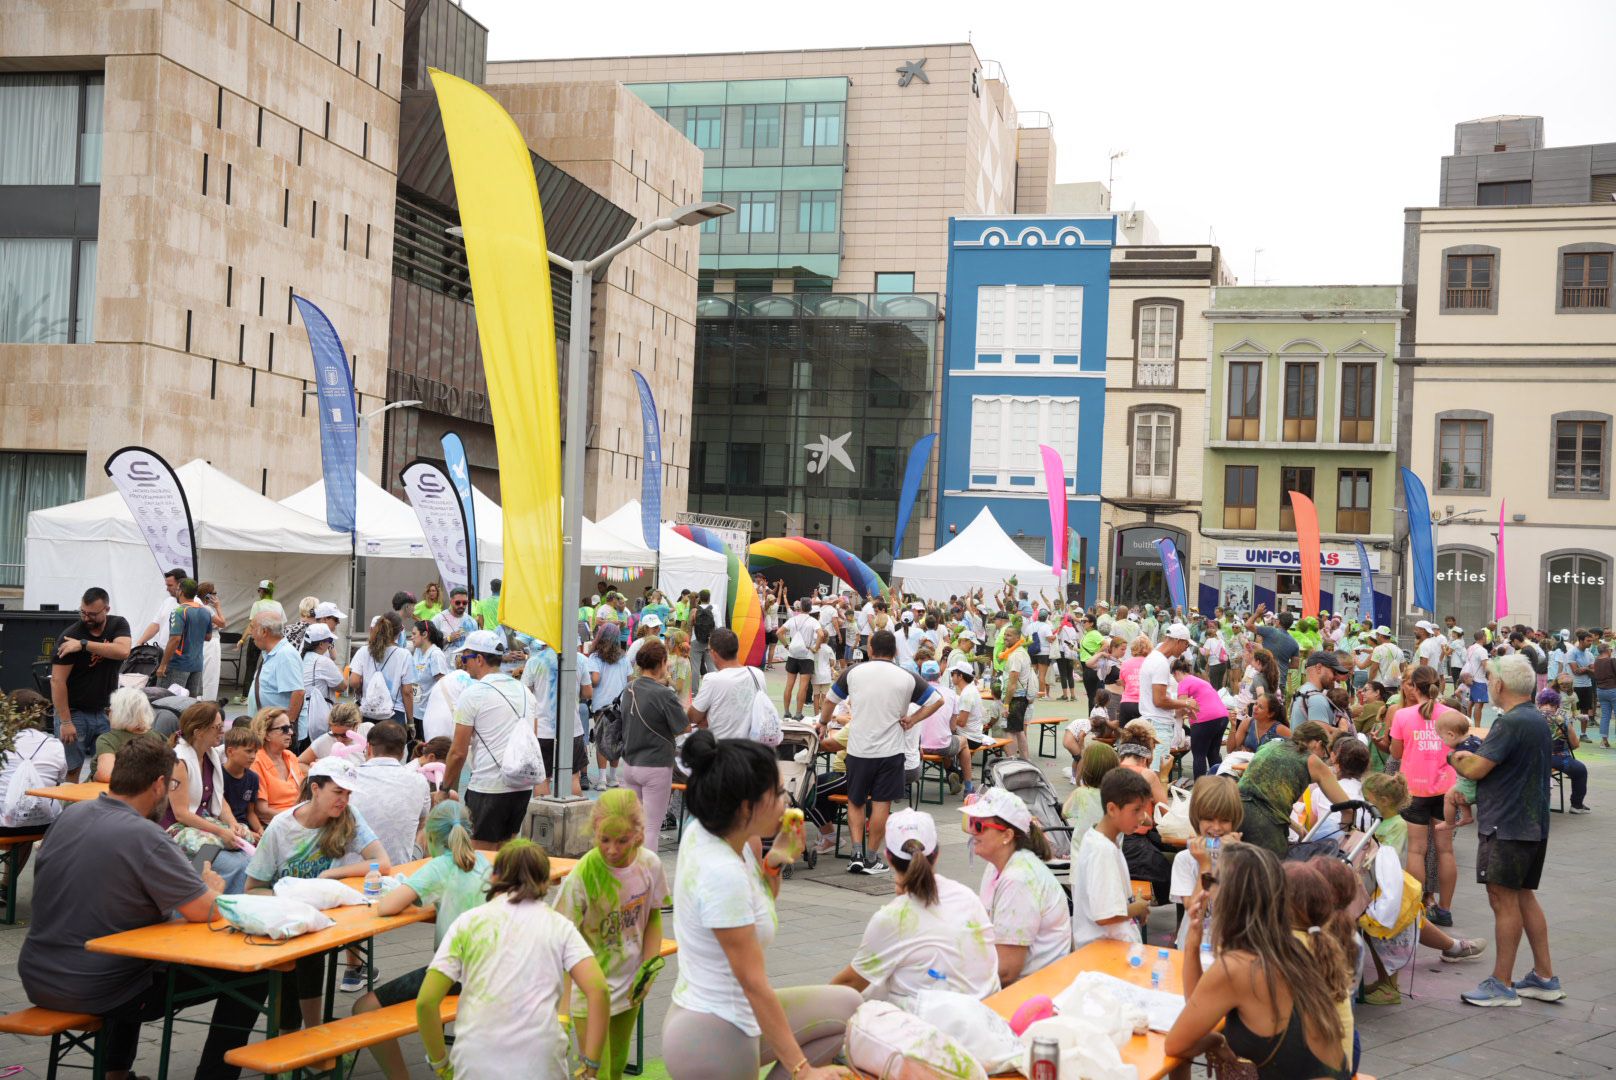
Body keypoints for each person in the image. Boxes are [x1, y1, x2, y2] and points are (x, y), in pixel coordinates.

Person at [18, 737, 267, 1080]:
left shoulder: (70, 816)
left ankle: (116, 1073)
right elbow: (206, 912)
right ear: (160, 784)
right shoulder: (146, 836)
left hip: (38, 975)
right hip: (99, 987)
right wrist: (210, 889)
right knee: (252, 974)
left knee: (134, 952)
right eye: (173, 785)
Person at [662, 730, 860, 1080]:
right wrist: (802, 1070)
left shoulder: (727, 834)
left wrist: (775, 862)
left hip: (728, 1015)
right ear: (745, 808)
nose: (788, 801)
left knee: (850, 1007)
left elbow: (759, 909)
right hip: (715, 1034)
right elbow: (753, 984)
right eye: (779, 793)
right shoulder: (721, 873)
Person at [1164, 842, 1352, 1079]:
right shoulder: (1287, 947)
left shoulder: (1239, 967)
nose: (1206, 891)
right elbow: (1199, 1011)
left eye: (1210, 881)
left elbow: (1175, 1044)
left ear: (1231, 897)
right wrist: (1192, 944)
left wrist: (1215, 1041)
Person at [1451, 654, 1564, 1007]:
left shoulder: (1511, 722)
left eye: (1489, 679)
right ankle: (1544, 976)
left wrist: (1454, 755)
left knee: (1503, 900)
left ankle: (1501, 983)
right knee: (1523, 895)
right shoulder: (1536, 718)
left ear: (1500, 685)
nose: (1489, 685)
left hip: (1508, 823)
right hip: (1530, 822)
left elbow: (1475, 768)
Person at [246, 758, 391, 1029]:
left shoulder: (348, 816)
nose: (344, 800)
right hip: (283, 920)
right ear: (315, 788)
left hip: (323, 917)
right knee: (299, 952)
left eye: (348, 793)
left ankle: (309, 1034)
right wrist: (288, 903)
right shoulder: (281, 827)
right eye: (338, 792)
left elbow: (382, 863)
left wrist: (329, 876)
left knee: (313, 946)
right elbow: (253, 887)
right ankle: (294, 1036)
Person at [352, 800, 491, 1079]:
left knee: (363, 1007)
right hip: (490, 968)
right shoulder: (483, 861)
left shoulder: (439, 866)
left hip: (459, 974)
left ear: (429, 838)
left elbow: (386, 907)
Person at [830, 807, 1000, 1008]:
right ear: (936, 854)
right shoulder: (966, 896)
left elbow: (849, 983)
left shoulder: (892, 918)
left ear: (888, 857)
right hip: (985, 1016)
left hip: (931, 1030)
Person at [553, 790, 670, 1080]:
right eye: (604, 840)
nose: (613, 850)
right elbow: (559, 940)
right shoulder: (583, 876)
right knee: (598, 1073)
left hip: (630, 986)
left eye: (622, 841)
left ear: (638, 834)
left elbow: (653, 914)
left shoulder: (650, 865)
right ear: (594, 830)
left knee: (616, 1067)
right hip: (589, 991)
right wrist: (563, 1009)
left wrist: (649, 967)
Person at [820, 629, 942, 875]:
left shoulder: (853, 672)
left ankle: (855, 853)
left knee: (855, 801)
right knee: (880, 804)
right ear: (896, 651)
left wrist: (823, 723)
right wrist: (912, 719)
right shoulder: (906, 676)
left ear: (871, 649)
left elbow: (830, 700)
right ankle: (872, 856)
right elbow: (937, 700)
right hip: (890, 751)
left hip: (858, 749)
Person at [962, 786, 1071, 984]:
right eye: (971, 822)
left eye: (979, 826)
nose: (971, 830)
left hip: (1032, 989)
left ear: (1007, 836)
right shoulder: (997, 866)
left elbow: (1006, 971)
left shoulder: (1019, 879)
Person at [442, 630, 541, 849]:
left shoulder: (473, 694)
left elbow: (458, 752)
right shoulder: (525, 691)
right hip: (520, 785)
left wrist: (444, 788)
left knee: (481, 860)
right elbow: (531, 737)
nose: (463, 663)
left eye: (465, 658)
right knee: (505, 855)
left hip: (488, 786)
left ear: (479, 659)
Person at [1389, 664, 1462, 927]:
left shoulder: (1403, 715)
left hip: (1414, 790)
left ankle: (1417, 910)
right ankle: (1445, 910)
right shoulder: (1453, 714)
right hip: (1447, 791)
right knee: (1446, 851)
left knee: (1417, 851)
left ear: (1413, 687)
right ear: (1439, 684)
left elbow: (1396, 754)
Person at [164, 700, 252, 894]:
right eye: (218, 727)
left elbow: (218, 798)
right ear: (198, 732)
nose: (223, 732)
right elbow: (181, 814)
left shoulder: (210, 755)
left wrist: (231, 823)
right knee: (237, 863)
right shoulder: (179, 761)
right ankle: (220, 905)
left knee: (248, 845)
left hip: (202, 822)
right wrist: (221, 832)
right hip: (176, 828)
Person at [49, 586, 132, 779]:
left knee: (107, 770)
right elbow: (57, 681)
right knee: (72, 770)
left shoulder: (118, 625)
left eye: (92, 614)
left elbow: (123, 651)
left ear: (106, 610)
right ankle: (70, 808)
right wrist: (66, 721)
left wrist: (84, 645)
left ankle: (92, 807)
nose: (86, 618)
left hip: (104, 711)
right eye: (83, 612)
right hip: (74, 712)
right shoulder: (70, 637)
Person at [1236, 721, 1353, 857]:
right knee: (1272, 872)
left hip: (1235, 810)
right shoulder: (1312, 760)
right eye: (1325, 753)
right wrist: (1345, 832)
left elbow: (1263, 798)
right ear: (1318, 744)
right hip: (1266, 827)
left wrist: (1297, 827)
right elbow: (1348, 807)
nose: (1323, 758)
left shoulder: (1269, 746)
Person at [1071, 768, 1154, 950]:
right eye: (1136, 810)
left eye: (1144, 810)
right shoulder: (1102, 850)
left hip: (1110, 949)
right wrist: (1137, 907)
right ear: (1112, 809)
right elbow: (1105, 915)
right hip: (1104, 953)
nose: (1142, 818)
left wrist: (1132, 904)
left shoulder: (1103, 840)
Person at [620, 640, 688, 851]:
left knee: (632, 825)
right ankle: (648, 875)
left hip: (629, 764)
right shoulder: (664, 694)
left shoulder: (629, 688)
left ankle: (630, 869)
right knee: (651, 828)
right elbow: (683, 727)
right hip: (655, 765)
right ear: (661, 662)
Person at [1170, 775, 1244, 950]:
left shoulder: (1242, 857)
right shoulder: (1185, 860)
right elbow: (1195, 911)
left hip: (1229, 946)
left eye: (1225, 820)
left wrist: (1236, 859)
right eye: (1209, 819)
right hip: (1192, 946)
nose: (1217, 827)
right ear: (1197, 819)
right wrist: (1205, 866)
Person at [0, 690, 67, 873]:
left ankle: (6, 889)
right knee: (24, 821)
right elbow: (58, 781)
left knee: (14, 815)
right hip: (42, 824)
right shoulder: (54, 745)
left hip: (3, 827)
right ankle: (6, 889)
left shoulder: (3, 742)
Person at [351, 720, 431, 868]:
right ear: (402, 753)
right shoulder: (419, 782)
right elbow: (423, 825)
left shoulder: (348, 778)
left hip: (350, 872)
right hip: (399, 872)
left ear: (368, 748)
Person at [243, 604, 305, 745]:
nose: (251, 633)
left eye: (252, 628)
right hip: (270, 732)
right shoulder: (273, 653)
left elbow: (298, 692)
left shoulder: (285, 655)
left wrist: (287, 727)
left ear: (264, 631)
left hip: (278, 735)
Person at [687, 628, 757, 740]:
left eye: (708, 650)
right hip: (752, 745)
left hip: (722, 747)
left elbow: (693, 717)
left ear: (714, 653)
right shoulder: (756, 674)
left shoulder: (712, 679)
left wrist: (707, 715)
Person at [585, 623, 632, 789]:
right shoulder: (623, 657)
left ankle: (602, 780)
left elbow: (595, 680)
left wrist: (587, 679)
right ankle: (613, 777)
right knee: (616, 740)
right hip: (620, 705)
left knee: (601, 740)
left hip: (602, 706)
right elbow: (630, 680)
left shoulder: (596, 657)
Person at [349, 613, 415, 727]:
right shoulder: (404, 655)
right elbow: (407, 691)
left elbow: (354, 681)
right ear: (401, 630)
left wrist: (361, 689)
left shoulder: (364, 651)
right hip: (394, 713)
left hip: (368, 711)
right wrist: (410, 721)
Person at [1173, 656, 1230, 779]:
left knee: (1199, 755)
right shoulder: (1200, 681)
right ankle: (1221, 785)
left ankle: (1200, 787)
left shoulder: (1183, 682)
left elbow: (1181, 706)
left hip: (1205, 719)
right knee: (1213, 752)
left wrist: (1174, 714)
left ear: (1176, 673)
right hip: (1222, 716)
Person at [154, 578, 212, 696]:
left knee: (167, 700)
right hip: (197, 664)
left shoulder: (179, 611)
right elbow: (208, 636)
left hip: (178, 664)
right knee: (189, 703)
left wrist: (163, 664)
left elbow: (175, 639)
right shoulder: (206, 612)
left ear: (180, 591)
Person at [92, 686, 161, 782]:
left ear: (119, 713)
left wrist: (94, 776)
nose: (108, 714)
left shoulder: (108, 739)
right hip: (148, 792)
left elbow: (106, 775)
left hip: (111, 793)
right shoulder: (159, 737)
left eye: (110, 710)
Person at [1537, 687, 1589, 813]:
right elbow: (1575, 744)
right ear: (1557, 705)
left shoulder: (1532, 717)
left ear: (1539, 704)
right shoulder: (1563, 719)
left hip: (1534, 758)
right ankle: (1576, 805)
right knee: (1580, 771)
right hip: (1557, 759)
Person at [249, 706, 305, 821]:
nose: (291, 732)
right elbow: (261, 810)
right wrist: (295, 817)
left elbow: (303, 795)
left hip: (299, 817)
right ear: (267, 734)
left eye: (290, 727)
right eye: (284, 729)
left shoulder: (290, 757)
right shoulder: (256, 761)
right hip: (275, 823)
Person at [779, 599, 825, 721]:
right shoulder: (813, 621)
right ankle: (798, 714)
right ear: (810, 609)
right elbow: (821, 635)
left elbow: (779, 632)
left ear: (800, 607)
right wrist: (816, 647)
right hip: (807, 656)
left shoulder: (792, 619)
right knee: (803, 687)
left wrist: (786, 646)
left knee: (789, 685)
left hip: (792, 655)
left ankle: (786, 712)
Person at [299, 622, 345, 744]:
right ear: (321, 644)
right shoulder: (323, 661)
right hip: (317, 717)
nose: (330, 644)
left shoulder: (300, 658)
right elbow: (342, 687)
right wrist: (337, 665)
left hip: (301, 714)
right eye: (329, 640)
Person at [999, 626, 1036, 760]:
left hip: (1016, 698)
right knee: (1019, 731)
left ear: (1017, 638)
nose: (1005, 638)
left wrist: (1006, 704)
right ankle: (1026, 760)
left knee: (1010, 731)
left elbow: (1012, 683)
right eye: (1005, 635)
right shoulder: (1022, 652)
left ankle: (1011, 761)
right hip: (1022, 698)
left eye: (1009, 635)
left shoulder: (1015, 656)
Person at [219, 724, 263, 837]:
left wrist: (259, 830)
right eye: (248, 751)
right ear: (230, 752)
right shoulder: (217, 774)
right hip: (223, 826)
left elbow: (250, 813)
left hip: (244, 826)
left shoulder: (253, 778)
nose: (253, 756)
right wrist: (249, 834)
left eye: (255, 752)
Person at [1226, 691, 1289, 755]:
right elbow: (1230, 750)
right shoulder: (1247, 722)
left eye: (1260, 707)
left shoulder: (1280, 729)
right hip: (1244, 763)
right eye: (1256, 704)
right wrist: (1233, 726)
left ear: (1270, 714)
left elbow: (1293, 754)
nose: (1255, 708)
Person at [432, 586, 478, 657]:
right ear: (451, 601)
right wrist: (448, 639)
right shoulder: (438, 619)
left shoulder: (471, 621)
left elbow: (475, 646)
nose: (461, 605)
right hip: (445, 665)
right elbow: (430, 644)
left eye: (464, 603)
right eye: (458, 602)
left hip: (466, 665)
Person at [689, 589, 716, 694]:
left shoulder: (694, 611)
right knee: (711, 667)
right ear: (709, 598)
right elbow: (718, 627)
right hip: (710, 642)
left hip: (696, 642)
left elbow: (689, 627)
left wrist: (688, 641)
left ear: (699, 598)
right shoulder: (714, 609)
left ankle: (694, 692)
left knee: (695, 668)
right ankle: (712, 691)